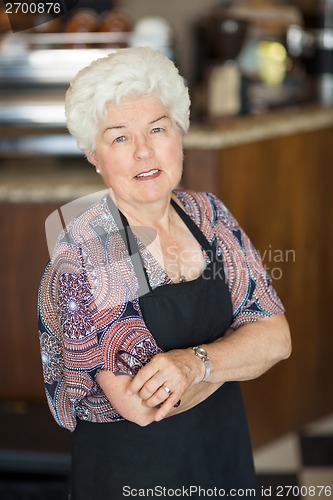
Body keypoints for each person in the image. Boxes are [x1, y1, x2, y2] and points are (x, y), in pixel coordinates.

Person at [38, 47, 291, 500]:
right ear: (95, 156)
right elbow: (146, 404)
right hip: (132, 475)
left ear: (179, 133)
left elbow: (277, 338)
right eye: (119, 138)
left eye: (157, 128)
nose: (143, 151)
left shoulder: (208, 214)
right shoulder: (92, 247)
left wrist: (193, 364)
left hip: (222, 457)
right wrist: (236, 357)